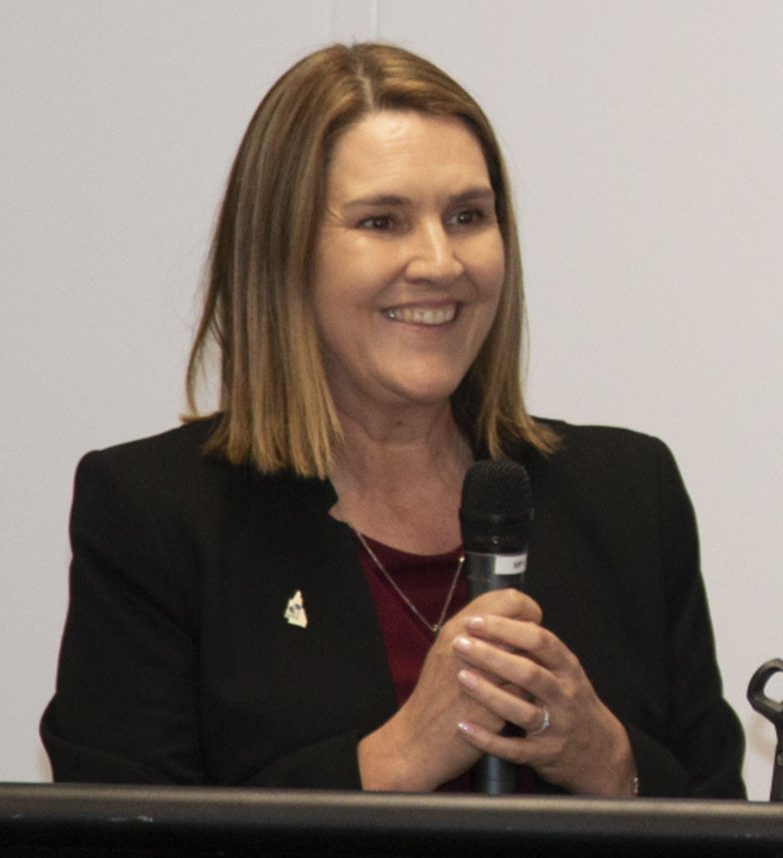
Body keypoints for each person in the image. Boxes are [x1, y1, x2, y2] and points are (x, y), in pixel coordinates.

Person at [40, 43, 745, 798]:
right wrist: (397, 758)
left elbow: (736, 854)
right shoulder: (156, 516)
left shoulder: (628, 495)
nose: (441, 262)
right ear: (283, 255)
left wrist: (608, 761)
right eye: (383, 222)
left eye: (468, 216)